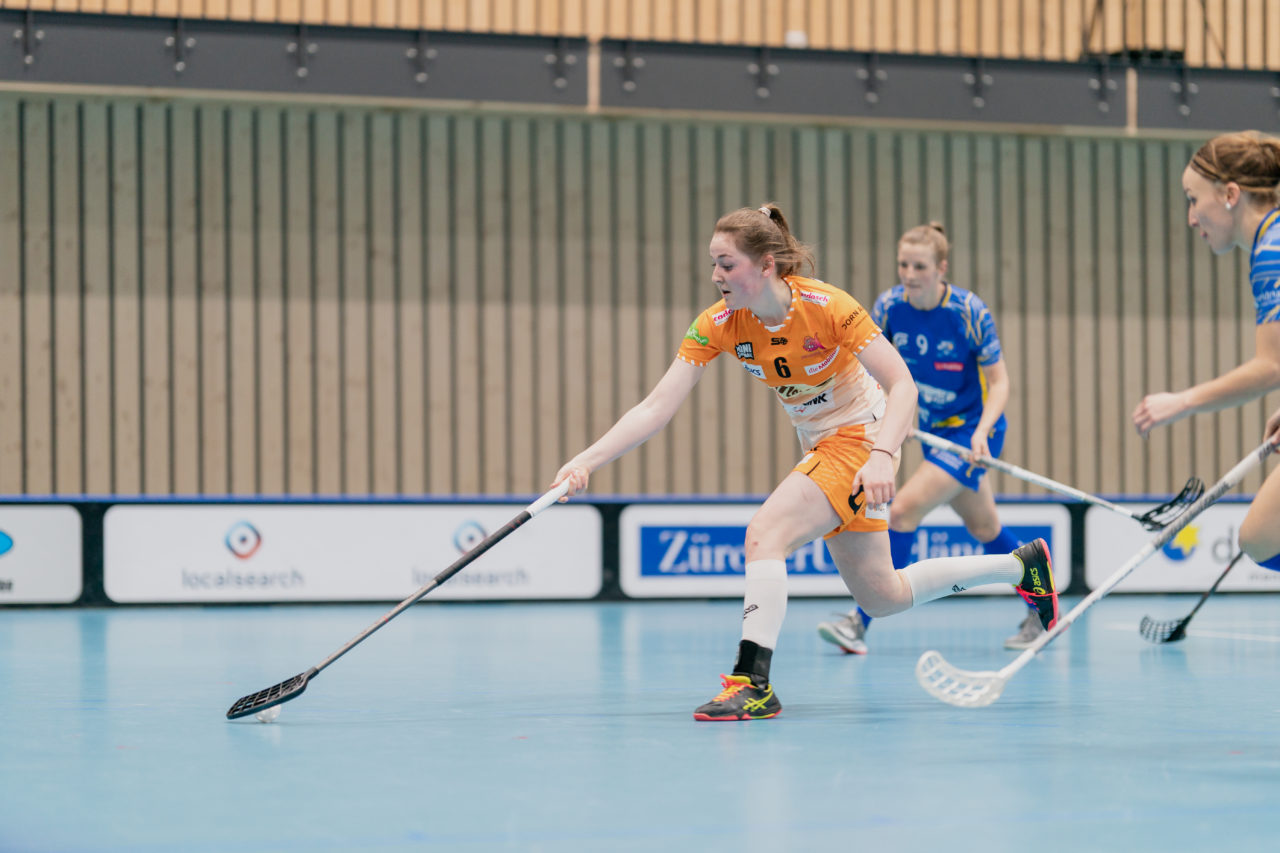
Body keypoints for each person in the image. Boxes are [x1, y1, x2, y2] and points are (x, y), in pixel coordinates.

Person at [550, 203, 1059, 721]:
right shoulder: (719, 324)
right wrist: (584, 462)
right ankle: (1020, 565)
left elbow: (901, 382)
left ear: (766, 264)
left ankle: (753, 683)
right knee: (882, 595)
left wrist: (883, 453)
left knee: (763, 535)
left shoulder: (828, 306)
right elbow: (656, 407)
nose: (715, 276)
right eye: (713, 264)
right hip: (820, 445)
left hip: (859, 440)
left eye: (726, 264)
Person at [815, 223, 1043, 655]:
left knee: (901, 512)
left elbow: (1001, 382)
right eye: (903, 264)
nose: (909, 273)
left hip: (975, 433)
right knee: (985, 527)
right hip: (933, 433)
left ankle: (858, 622)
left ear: (941, 268)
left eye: (919, 266)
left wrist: (980, 432)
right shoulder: (888, 306)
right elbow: (876, 371)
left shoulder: (968, 311)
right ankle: (1041, 607)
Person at [1132, 131, 1280, 571]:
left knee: (1261, 537)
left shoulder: (1273, 248)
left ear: (1231, 194)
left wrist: (1182, 401)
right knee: (1261, 538)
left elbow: (1272, 365)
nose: (1192, 218)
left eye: (1193, 200)